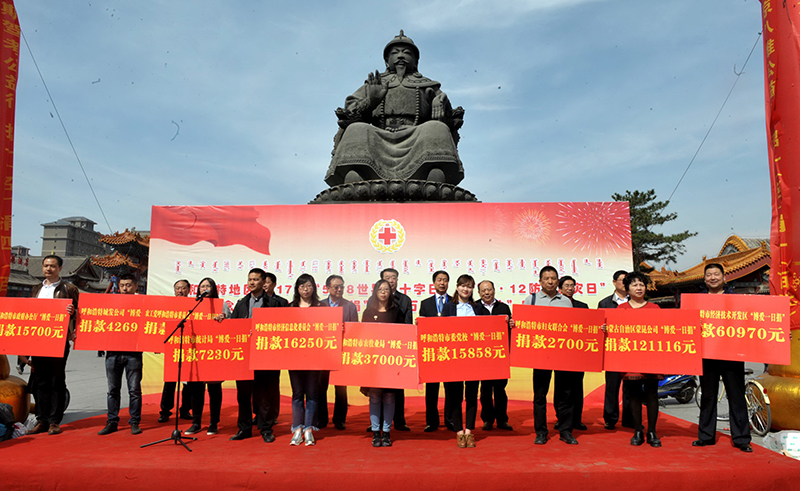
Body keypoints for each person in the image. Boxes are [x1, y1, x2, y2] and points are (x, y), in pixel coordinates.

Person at [325, 30, 464, 186]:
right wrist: (371, 101)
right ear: (386, 60)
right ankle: (360, 173)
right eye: (395, 53)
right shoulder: (374, 83)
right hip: (380, 135)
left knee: (436, 127)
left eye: (406, 53)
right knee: (356, 129)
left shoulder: (427, 86)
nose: (400, 56)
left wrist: (442, 103)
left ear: (416, 61)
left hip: (416, 136)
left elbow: (451, 119)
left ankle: (431, 173)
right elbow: (348, 113)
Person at [693, 263, 752, 452]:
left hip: (731, 354)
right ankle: (706, 435)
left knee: (736, 396)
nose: (712, 278)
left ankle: (742, 438)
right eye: (708, 274)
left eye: (716, 274)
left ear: (724, 277)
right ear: (704, 279)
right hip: (707, 354)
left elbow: (754, 321)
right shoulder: (696, 301)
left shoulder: (736, 299)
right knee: (708, 396)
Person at [21, 255, 78, 436]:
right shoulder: (37, 288)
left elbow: (81, 313)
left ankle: (54, 421)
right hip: (38, 341)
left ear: (60, 268)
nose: (48, 269)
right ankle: (42, 420)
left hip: (58, 341)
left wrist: (73, 312)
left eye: (52, 266)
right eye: (46, 266)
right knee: (40, 381)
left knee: (56, 381)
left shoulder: (69, 289)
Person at [522, 266, 579, 445]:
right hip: (540, 355)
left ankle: (565, 430)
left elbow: (571, 328)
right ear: (540, 281)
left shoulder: (566, 301)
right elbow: (524, 326)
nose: (550, 281)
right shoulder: (531, 299)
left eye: (553, 278)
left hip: (562, 354)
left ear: (558, 281)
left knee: (565, 394)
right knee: (540, 395)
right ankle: (541, 431)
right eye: (546, 278)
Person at [226, 268, 281, 443]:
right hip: (244, 356)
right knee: (243, 394)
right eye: (250, 279)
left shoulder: (273, 303)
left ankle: (266, 428)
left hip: (263, 356)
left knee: (263, 395)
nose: (252, 282)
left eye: (256, 279)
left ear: (264, 282)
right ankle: (244, 428)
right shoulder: (241, 303)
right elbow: (233, 328)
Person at [441, 274, 487, 448]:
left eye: (469, 286)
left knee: (472, 395)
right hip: (453, 358)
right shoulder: (448, 308)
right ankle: (459, 432)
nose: (465, 289)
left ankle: (469, 431)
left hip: (474, 359)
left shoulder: (479, 309)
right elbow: (440, 332)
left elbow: (487, 330)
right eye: (463, 286)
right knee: (455, 396)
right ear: (457, 287)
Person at [617, 271, 662, 447]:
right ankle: (638, 430)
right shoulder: (621, 310)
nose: (638, 287)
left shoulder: (655, 309)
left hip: (652, 358)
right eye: (634, 284)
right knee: (633, 395)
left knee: (652, 394)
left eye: (641, 284)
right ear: (627, 288)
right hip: (630, 358)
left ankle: (652, 431)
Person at [99, 273, 143, 435]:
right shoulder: (110, 302)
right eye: (122, 285)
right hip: (112, 351)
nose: (125, 288)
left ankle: (135, 422)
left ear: (136, 286)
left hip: (133, 353)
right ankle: (112, 421)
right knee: (113, 389)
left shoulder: (143, 303)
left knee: (134, 390)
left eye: (129, 285)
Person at [362, 279, 403, 447]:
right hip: (373, 362)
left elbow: (403, 334)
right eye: (381, 289)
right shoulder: (368, 312)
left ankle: (386, 432)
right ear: (375, 292)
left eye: (387, 289)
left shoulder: (396, 311)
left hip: (391, 361)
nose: (384, 292)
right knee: (375, 397)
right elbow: (363, 336)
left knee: (389, 397)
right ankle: (375, 432)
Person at [183, 278, 224, 436]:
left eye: (208, 286)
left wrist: (223, 317)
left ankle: (214, 423)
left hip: (213, 353)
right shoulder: (193, 306)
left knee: (214, 390)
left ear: (213, 289)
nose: (205, 289)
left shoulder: (221, 305)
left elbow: (231, 324)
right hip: (195, 353)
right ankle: (196, 422)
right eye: (202, 287)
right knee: (196, 390)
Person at [318, 275, 358, 430]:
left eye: (342, 286)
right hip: (323, 353)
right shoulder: (319, 305)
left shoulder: (350, 306)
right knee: (321, 387)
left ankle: (340, 419)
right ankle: (321, 419)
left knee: (341, 388)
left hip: (342, 352)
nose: (339, 289)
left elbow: (354, 330)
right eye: (336, 287)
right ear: (327, 288)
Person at [288, 274, 322, 446]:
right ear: (297, 289)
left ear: (313, 288)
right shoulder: (290, 307)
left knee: (312, 394)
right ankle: (297, 428)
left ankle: (309, 428)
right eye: (302, 286)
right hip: (294, 358)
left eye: (308, 286)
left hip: (315, 358)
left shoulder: (321, 307)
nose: (305, 289)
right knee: (297, 394)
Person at [417, 270, 453, 432]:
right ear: (434, 283)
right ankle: (431, 421)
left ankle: (451, 420)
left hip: (450, 353)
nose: (442, 283)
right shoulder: (425, 304)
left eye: (445, 280)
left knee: (451, 388)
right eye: (439, 280)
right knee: (432, 389)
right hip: (431, 352)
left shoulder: (454, 302)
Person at [476, 280, 514, 431]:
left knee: (500, 389)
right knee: (485, 389)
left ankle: (502, 419)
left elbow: (510, 331)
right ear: (478, 293)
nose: (487, 293)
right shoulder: (475, 307)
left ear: (494, 290)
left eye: (489, 289)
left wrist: (511, 323)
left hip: (500, 355)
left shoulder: (503, 307)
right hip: (481, 356)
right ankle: (488, 419)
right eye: (483, 290)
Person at [598, 270, 633, 430]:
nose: (624, 283)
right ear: (614, 282)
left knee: (630, 385)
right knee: (612, 386)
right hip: (612, 350)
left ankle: (629, 417)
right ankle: (610, 418)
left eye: (627, 281)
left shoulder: (636, 302)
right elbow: (597, 327)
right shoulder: (604, 303)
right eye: (622, 280)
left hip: (631, 350)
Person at [380, 268, 412, 432]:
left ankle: (399, 420)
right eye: (387, 278)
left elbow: (408, 325)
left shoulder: (405, 300)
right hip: (379, 350)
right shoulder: (374, 300)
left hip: (397, 349)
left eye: (394, 278)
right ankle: (376, 422)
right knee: (377, 387)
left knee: (398, 387)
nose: (391, 281)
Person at [158, 279, 193, 424]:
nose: (180, 291)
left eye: (183, 288)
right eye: (177, 288)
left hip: (189, 349)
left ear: (189, 290)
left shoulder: (194, 306)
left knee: (188, 383)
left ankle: (185, 409)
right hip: (172, 349)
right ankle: (165, 411)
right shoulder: (168, 306)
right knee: (170, 382)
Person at [555, 276, 588, 432]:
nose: (570, 288)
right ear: (560, 288)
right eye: (567, 285)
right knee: (561, 389)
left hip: (578, 354)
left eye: (572, 285)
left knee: (577, 388)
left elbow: (589, 328)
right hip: (560, 354)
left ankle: (577, 419)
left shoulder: (582, 306)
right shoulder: (555, 305)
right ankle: (561, 418)